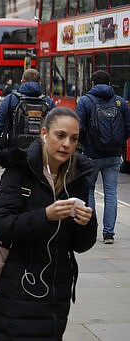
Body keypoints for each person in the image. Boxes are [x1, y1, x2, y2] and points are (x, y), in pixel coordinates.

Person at [0, 107, 98, 340]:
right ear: (44, 134)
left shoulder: (78, 178)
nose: (67, 144)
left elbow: (81, 244)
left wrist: (86, 222)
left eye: (74, 139)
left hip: (57, 296)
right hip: (18, 291)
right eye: (60, 136)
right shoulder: (20, 170)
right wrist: (44, 215)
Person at [76, 70, 130, 244]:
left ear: (92, 83)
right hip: (114, 155)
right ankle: (109, 233)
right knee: (111, 192)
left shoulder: (85, 101)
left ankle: (91, 229)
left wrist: (84, 144)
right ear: (109, 83)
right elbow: (128, 127)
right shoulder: (120, 102)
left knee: (89, 190)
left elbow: (78, 127)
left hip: (91, 154)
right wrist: (119, 143)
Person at [0, 68, 55, 167]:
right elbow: (55, 126)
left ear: (22, 82)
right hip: (40, 154)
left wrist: (5, 146)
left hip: (15, 153)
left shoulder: (10, 100)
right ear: (39, 83)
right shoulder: (49, 102)